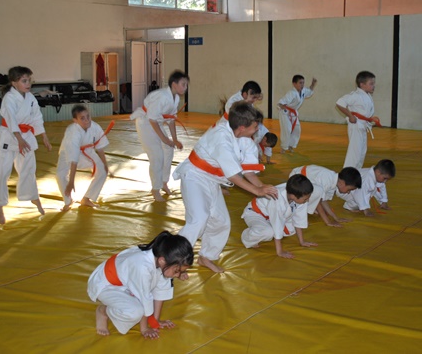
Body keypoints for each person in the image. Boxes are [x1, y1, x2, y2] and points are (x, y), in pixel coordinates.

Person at [172, 101, 279, 273]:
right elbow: (233, 176)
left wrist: (263, 187)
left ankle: (206, 257)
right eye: (255, 126)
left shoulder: (246, 140)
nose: (258, 129)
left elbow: (248, 171)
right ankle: (173, 260)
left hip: (212, 180)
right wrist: (257, 191)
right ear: (242, 127)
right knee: (199, 219)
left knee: (221, 222)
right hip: (194, 176)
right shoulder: (221, 137)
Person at [88, 231, 193, 339]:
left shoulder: (162, 259)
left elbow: (160, 291)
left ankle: (118, 305)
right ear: (162, 260)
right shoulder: (142, 266)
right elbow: (144, 299)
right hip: (106, 285)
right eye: (177, 271)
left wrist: (155, 321)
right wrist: (144, 328)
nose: (178, 275)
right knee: (135, 311)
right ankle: (103, 311)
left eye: (181, 271)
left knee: (146, 295)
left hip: (125, 283)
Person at [0, 66, 52, 225]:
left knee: (28, 168)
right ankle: (0, 205)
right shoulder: (9, 98)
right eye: (24, 81)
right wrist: (19, 139)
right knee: (3, 172)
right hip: (9, 136)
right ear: (14, 83)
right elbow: (11, 120)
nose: (28, 84)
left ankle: (33, 197)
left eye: (29, 80)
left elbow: (37, 117)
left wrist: (44, 136)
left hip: (26, 135)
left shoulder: (30, 97)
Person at [130, 71, 188, 202]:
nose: (185, 87)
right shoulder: (162, 97)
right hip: (145, 123)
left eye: (186, 85)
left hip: (156, 122)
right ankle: (155, 189)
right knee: (157, 156)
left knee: (168, 149)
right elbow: (152, 119)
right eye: (183, 84)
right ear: (174, 84)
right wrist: (165, 139)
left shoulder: (175, 98)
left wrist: (174, 140)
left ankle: (163, 182)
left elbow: (171, 120)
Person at [240, 174, 316, 258]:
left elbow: (299, 220)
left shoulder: (297, 192)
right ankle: (247, 236)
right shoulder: (277, 199)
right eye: (305, 199)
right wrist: (280, 252)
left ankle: (263, 227)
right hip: (255, 213)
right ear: (293, 196)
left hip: (271, 215)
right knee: (268, 232)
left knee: (290, 231)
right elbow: (277, 224)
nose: (307, 200)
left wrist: (302, 242)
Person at [56, 104, 112, 211]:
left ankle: (86, 198)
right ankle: (68, 200)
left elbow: (100, 148)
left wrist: (105, 165)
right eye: (82, 118)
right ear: (75, 120)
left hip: (87, 150)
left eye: (88, 116)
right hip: (67, 152)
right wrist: (71, 182)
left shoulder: (95, 127)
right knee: (60, 175)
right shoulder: (73, 133)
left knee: (102, 171)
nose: (87, 120)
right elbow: (73, 160)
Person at [289, 165, 362, 227]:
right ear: (342, 183)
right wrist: (328, 222)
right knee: (317, 192)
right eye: (349, 189)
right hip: (296, 180)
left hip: (301, 180)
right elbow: (318, 202)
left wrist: (335, 217)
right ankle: (294, 212)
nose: (348, 192)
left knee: (319, 199)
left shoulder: (333, 182)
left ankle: (298, 209)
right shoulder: (327, 180)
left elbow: (323, 200)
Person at [336, 71, 380, 168]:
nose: (373, 86)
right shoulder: (356, 95)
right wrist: (350, 116)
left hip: (362, 126)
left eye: (374, 83)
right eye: (371, 83)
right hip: (356, 126)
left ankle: (356, 172)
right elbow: (339, 103)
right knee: (354, 153)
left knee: (361, 153)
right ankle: (347, 173)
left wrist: (370, 119)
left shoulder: (367, 95)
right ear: (362, 84)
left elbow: (364, 112)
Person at [277, 74, 317, 153]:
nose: (302, 85)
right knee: (287, 129)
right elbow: (280, 103)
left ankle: (291, 146)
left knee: (297, 129)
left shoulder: (303, 91)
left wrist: (313, 84)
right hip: (285, 113)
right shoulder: (291, 93)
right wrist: (282, 107)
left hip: (293, 113)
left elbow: (309, 91)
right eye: (300, 83)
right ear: (294, 84)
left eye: (303, 83)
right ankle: (284, 147)